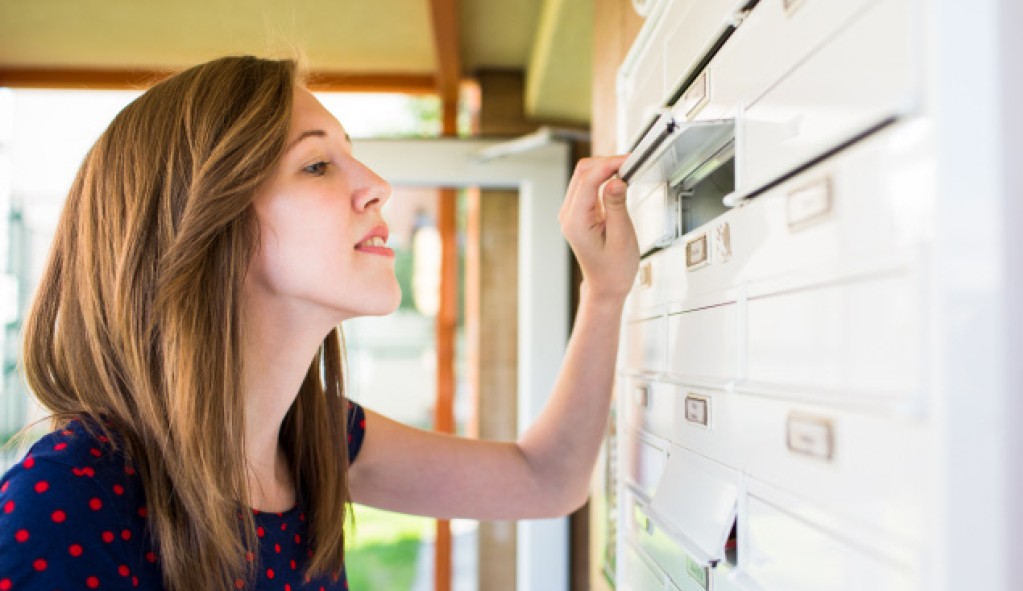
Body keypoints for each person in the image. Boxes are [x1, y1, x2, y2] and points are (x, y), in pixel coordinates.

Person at [0, 56, 637, 591]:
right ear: (202, 224)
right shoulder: (66, 501)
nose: (377, 186)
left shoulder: (317, 439)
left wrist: (605, 291)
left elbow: (546, 481)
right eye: (316, 166)